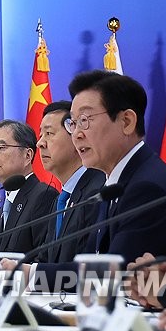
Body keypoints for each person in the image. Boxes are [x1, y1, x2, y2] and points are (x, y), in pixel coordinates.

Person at [6, 71, 166, 290]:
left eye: (85, 120)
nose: (77, 134)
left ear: (126, 122)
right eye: (73, 123)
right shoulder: (115, 183)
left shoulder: (146, 186)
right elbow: (90, 264)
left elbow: (109, 275)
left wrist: (29, 274)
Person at [33, 101, 105, 263]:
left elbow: (88, 265)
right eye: (40, 135)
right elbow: (46, 258)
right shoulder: (60, 200)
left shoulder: (97, 192)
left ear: (76, 136)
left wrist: (30, 273)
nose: (40, 143)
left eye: (49, 134)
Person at [0, 120, 59, 254]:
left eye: (0, 148)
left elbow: (43, 258)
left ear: (28, 155)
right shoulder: (3, 209)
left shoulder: (43, 196)